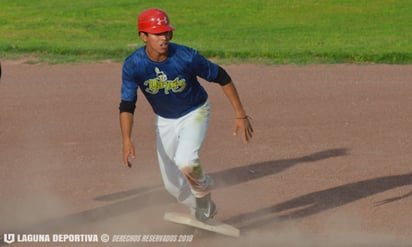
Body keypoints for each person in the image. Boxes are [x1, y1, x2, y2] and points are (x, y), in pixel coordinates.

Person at [119, 8, 253, 222]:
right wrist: (126, 139)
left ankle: (203, 195)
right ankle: (201, 210)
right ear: (143, 36)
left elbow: (222, 76)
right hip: (164, 120)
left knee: (185, 160)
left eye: (166, 32)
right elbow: (127, 104)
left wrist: (240, 113)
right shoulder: (133, 64)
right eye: (157, 33)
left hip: (195, 112)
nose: (164, 37)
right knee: (172, 186)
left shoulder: (186, 57)